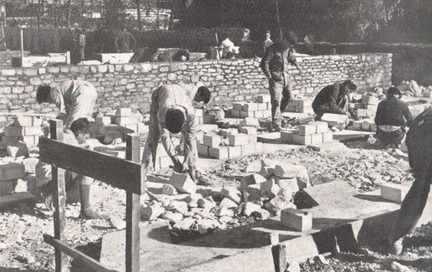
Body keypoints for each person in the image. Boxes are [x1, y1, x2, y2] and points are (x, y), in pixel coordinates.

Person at [383, 107, 432, 255]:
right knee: (420, 188)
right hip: (423, 141)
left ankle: (396, 239)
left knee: (420, 188)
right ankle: (396, 238)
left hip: (417, 137)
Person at [37, 118, 109, 220]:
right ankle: (86, 210)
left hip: (45, 179)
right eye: (86, 137)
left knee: (79, 171)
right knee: (87, 170)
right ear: (79, 133)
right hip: (50, 181)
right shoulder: (70, 140)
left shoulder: (64, 135)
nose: (85, 140)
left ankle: (55, 195)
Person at [142, 84, 208, 182]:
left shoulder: (191, 115)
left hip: (178, 94)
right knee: (153, 136)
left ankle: (194, 170)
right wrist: (175, 160)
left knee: (191, 140)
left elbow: (190, 140)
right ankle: (144, 170)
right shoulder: (161, 114)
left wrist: (186, 162)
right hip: (159, 95)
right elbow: (165, 138)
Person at [260, 33, 303, 131]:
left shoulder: (287, 49)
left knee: (289, 97)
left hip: (286, 77)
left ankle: (279, 116)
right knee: (276, 101)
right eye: (289, 43)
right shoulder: (272, 48)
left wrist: (297, 66)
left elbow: (291, 57)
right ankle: (276, 124)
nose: (289, 46)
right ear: (284, 40)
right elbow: (264, 62)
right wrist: (269, 75)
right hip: (275, 78)